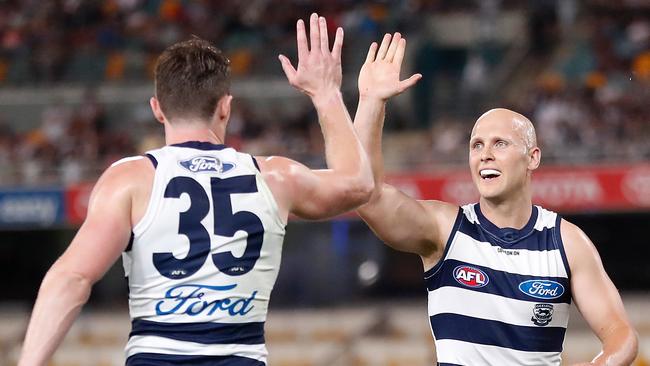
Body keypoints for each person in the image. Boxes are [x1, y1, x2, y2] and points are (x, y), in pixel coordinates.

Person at [18, 13, 374, 366]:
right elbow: (358, 184)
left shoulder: (130, 180)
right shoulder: (274, 177)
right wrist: (325, 93)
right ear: (226, 107)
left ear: (158, 109)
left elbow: (72, 277)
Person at [353, 33, 638, 365]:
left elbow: (621, 336)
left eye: (500, 143)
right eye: (476, 145)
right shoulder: (444, 230)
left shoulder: (567, 242)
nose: (485, 154)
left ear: (532, 158)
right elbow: (366, 196)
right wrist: (371, 103)